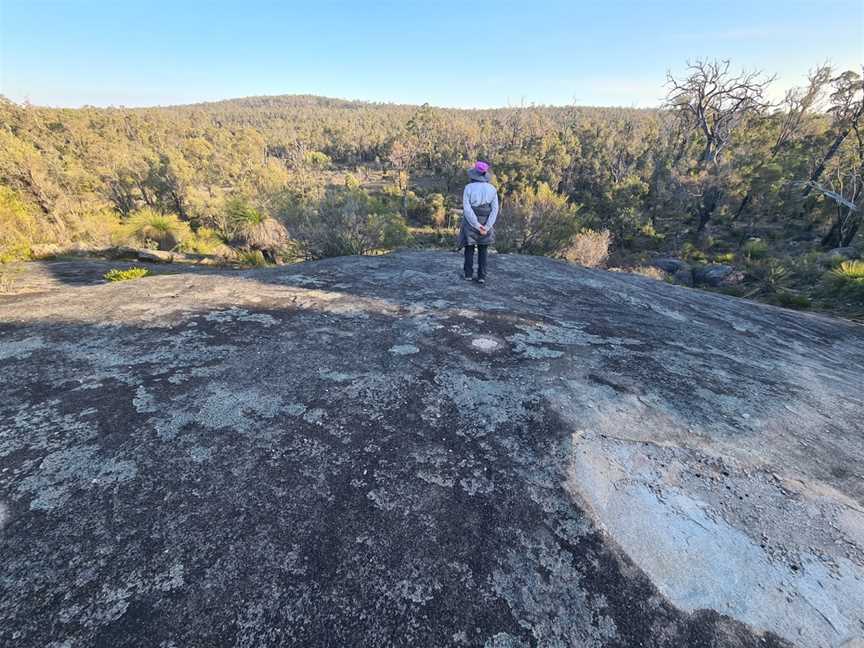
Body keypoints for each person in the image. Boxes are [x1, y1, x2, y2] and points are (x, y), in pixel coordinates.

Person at [456, 160, 499, 284]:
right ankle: (481, 276)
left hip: (470, 222)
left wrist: (476, 224)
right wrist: (486, 226)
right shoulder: (492, 189)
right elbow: (495, 209)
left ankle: (468, 274)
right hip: (486, 221)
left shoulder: (468, 188)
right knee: (483, 250)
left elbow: (467, 208)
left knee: (469, 248)